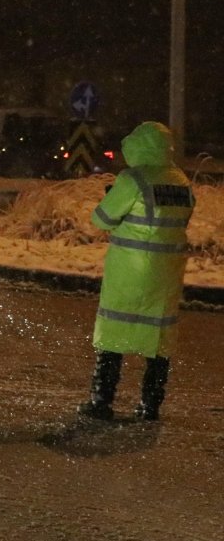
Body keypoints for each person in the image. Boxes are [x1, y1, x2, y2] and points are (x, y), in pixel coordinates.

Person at [79, 121, 195, 422]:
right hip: (166, 273)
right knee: (157, 342)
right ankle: (150, 406)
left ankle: (101, 402)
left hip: (130, 271)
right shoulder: (180, 180)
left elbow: (102, 219)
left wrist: (111, 197)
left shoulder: (133, 178)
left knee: (114, 334)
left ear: (138, 147)